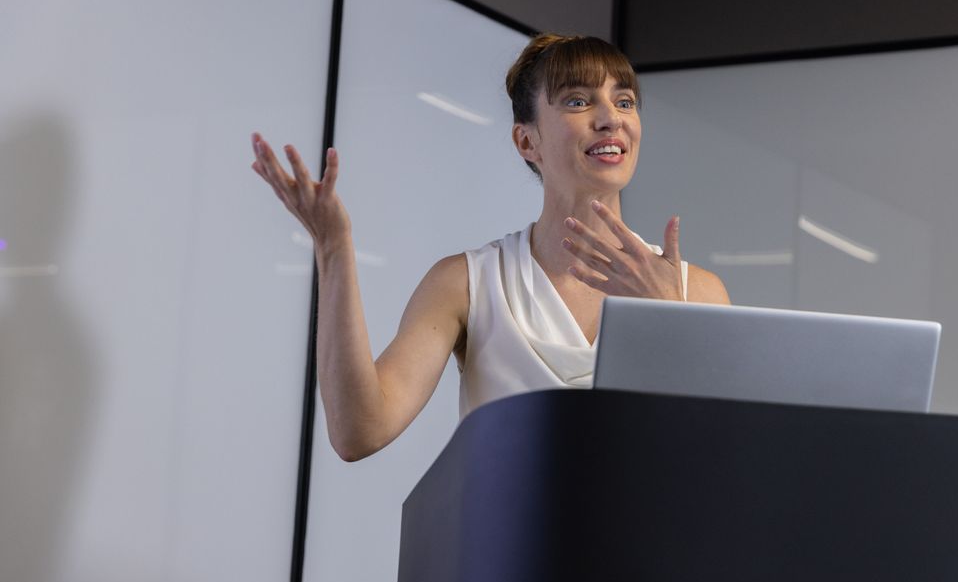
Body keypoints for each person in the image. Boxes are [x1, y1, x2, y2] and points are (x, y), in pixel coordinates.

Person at [250, 33, 729, 461]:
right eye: (578, 102)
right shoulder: (466, 283)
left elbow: (732, 452)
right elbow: (360, 432)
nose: (610, 119)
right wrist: (333, 249)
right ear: (527, 141)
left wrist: (672, 322)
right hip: (509, 556)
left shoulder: (697, 292)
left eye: (624, 101)